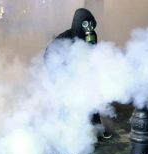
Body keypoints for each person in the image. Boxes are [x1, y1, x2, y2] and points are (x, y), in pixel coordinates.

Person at [44, 8, 112, 139]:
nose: (89, 27)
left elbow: (92, 54)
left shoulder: (92, 35)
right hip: (68, 76)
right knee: (67, 104)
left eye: (91, 23)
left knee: (92, 101)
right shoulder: (66, 36)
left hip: (85, 74)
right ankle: (63, 131)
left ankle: (98, 129)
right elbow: (49, 53)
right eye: (85, 23)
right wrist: (59, 72)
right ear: (77, 23)